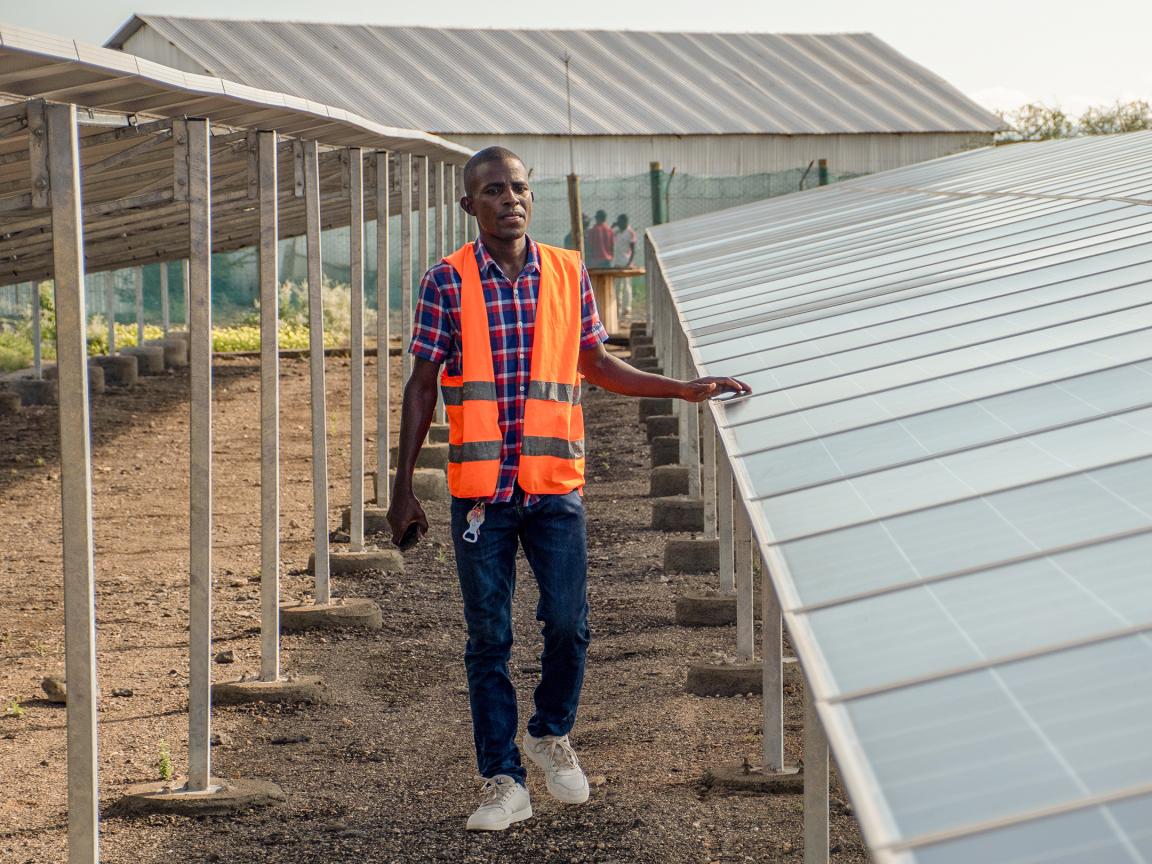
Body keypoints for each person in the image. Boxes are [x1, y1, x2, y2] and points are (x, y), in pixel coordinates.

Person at [386, 146, 750, 832]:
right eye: (493, 190)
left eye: (519, 187)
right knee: (487, 639)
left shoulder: (566, 271)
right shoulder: (446, 281)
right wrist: (402, 487)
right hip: (480, 494)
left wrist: (682, 387)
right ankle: (503, 780)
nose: (510, 199)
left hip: (553, 487)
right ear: (470, 206)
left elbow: (596, 363)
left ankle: (550, 731)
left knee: (569, 625)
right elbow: (423, 385)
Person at [611, 213, 638, 319]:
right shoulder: (617, 232)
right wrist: (612, 227)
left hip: (626, 263)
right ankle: (617, 308)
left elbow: (633, 250)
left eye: (620, 222)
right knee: (617, 287)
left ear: (625, 222)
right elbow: (608, 237)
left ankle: (627, 309)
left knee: (627, 286)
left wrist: (629, 263)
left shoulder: (630, 233)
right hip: (617, 262)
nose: (619, 224)